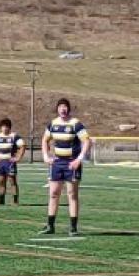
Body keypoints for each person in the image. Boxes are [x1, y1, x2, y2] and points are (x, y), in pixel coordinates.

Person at [40, 99, 91, 236]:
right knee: (53, 193)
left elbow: (86, 141)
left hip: (71, 164)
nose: (63, 109)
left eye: (65, 107)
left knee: (72, 195)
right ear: (57, 109)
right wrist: (46, 156)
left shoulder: (75, 124)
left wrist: (79, 159)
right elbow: (45, 139)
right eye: (60, 107)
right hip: (57, 163)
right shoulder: (53, 124)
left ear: (69, 109)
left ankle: (73, 227)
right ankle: (50, 226)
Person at [0, 118, 26, 206]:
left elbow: (22, 145)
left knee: (12, 180)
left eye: (6, 126)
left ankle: (15, 200)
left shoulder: (14, 136)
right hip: (1, 162)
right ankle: (1, 200)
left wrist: (18, 157)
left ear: (9, 127)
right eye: (3, 126)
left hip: (10, 162)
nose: (4, 128)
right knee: (1, 180)